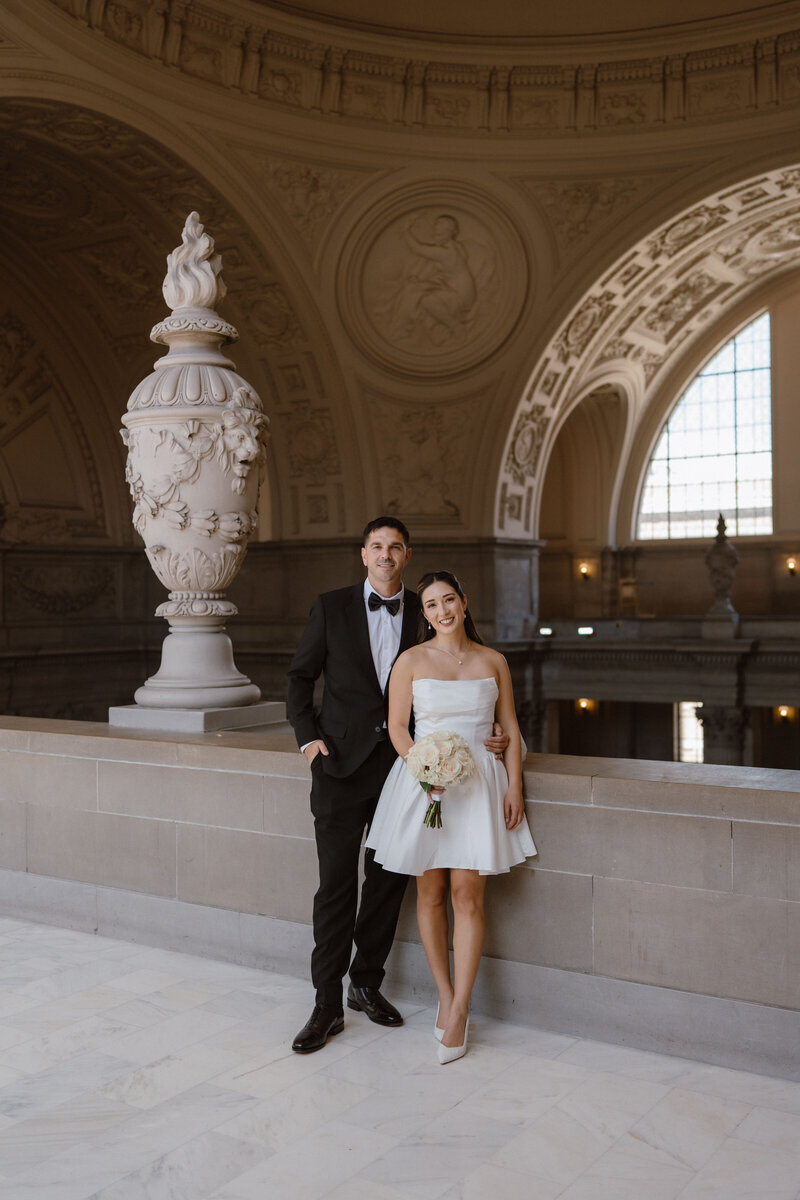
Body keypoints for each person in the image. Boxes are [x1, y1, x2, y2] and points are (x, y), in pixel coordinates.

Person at [286, 520, 511, 1054]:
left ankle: (365, 983)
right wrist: (309, 741)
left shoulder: (427, 607)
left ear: (407, 555)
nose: (385, 555)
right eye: (377, 547)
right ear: (364, 554)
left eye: (395, 547)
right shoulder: (330, 607)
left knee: (387, 885)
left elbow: (458, 681)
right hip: (339, 769)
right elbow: (299, 677)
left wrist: (493, 735)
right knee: (336, 886)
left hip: (404, 774)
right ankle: (326, 1004)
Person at [366, 570, 536, 1064]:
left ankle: (461, 1008)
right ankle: (444, 994)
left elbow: (509, 727)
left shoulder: (493, 661)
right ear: (424, 614)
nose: (442, 611)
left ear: (464, 602)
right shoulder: (411, 660)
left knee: (467, 894)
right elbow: (398, 728)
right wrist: (424, 771)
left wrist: (515, 786)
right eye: (431, 605)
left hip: (480, 786)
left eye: (448, 600)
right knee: (431, 892)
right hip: (427, 784)